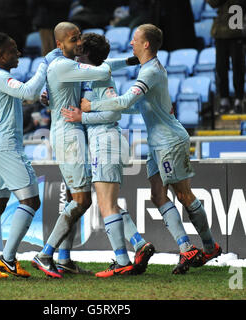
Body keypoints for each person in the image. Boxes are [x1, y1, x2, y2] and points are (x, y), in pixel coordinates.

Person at [81, 24, 222, 274]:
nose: (131, 43)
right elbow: (136, 107)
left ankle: (209, 247)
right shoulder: (146, 69)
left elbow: (125, 101)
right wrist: (108, 104)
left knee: (183, 195)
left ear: (146, 44)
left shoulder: (150, 72)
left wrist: (92, 106)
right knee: (158, 196)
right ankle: (186, 247)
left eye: (135, 39)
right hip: (157, 143)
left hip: (169, 141)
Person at [61, 32, 155, 277]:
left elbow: (114, 114)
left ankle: (123, 261)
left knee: (106, 205)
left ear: (87, 54)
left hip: (106, 141)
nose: (76, 52)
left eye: (80, 49)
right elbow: (110, 64)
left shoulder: (101, 79)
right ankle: (138, 244)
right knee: (109, 204)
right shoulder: (94, 72)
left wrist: (84, 116)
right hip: (102, 144)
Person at [31, 22, 113, 279]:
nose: (79, 43)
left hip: (72, 135)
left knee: (75, 199)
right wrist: (110, 62)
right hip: (68, 138)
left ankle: (64, 259)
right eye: (72, 40)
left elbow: (92, 70)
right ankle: (45, 254)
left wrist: (131, 61)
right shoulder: (64, 65)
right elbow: (100, 72)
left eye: (79, 38)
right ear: (59, 45)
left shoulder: (66, 63)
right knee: (82, 200)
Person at [0, 32, 58, 278]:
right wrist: (45, 64)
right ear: (1, 55)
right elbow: (28, 92)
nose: (18, 53)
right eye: (13, 50)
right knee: (31, 201)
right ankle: (8, 259)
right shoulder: (1, 76)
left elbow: (16, 100)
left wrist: (36, 99)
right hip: (7, 147)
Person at [206, 0, 245, 114]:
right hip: (221, 33)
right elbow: (212, 3)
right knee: (221, 67)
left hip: (236, 31)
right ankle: (224, 100)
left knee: (238, 67)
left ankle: (239, 99)